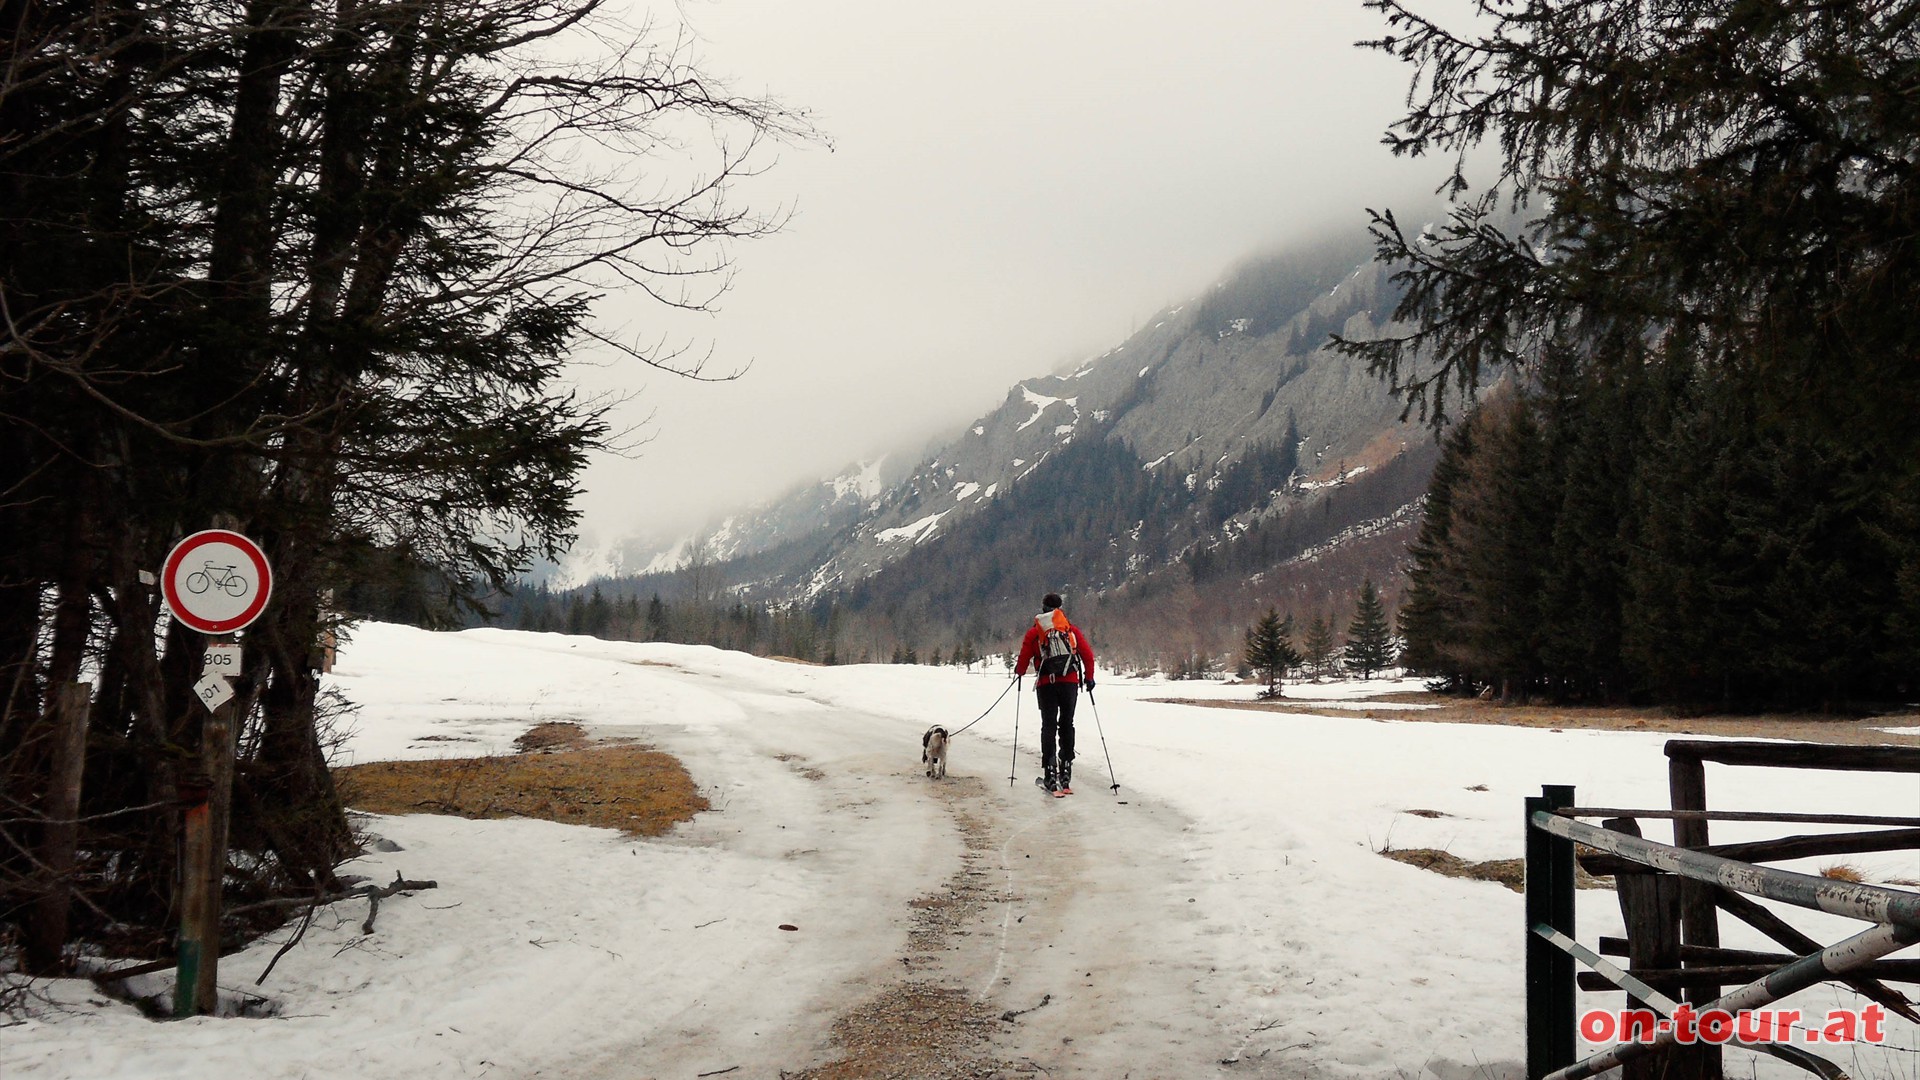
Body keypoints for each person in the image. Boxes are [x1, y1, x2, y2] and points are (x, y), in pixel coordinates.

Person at [1014, 593, 1096, 794]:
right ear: (1060, 608)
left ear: (1043, 608)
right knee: (1067, 723)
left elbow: (1024, 658)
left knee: (1048, 725)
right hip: (1070, 683)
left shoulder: (1034, 633)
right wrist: (1089, 678)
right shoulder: (1070, 630)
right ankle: (1066, 769)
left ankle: (1050, 771)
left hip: (1046, 684)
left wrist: (1019, 672)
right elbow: (1088, 656)